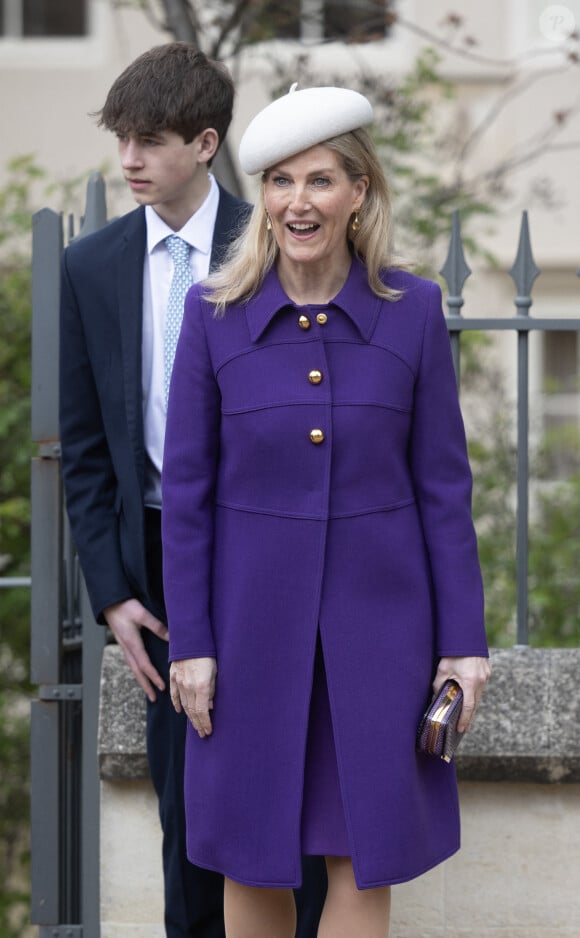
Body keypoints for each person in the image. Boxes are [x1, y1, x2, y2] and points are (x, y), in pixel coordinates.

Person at [162, 84, 491, 938]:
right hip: (246, 633)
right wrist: (191, 645)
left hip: (381, 635)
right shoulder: (213, 318)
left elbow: (445, 489)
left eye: (318, 181)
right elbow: (188, 500)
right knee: (251, 850)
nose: (296, 201)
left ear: (358, 194)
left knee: (361, 849)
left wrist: (463, 644)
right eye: (279, 182)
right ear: (263, 199)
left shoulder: (411, 311)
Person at [59, 46, 327, 938]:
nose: (129, 159)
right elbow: (89, 448)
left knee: (296, 794)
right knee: (191, 812)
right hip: (161, 569)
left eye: (150, 140)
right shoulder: (90, 266)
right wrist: (113, 596)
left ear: (206, 142)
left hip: (273, 552)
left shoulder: (275, 241)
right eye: (121, 140)